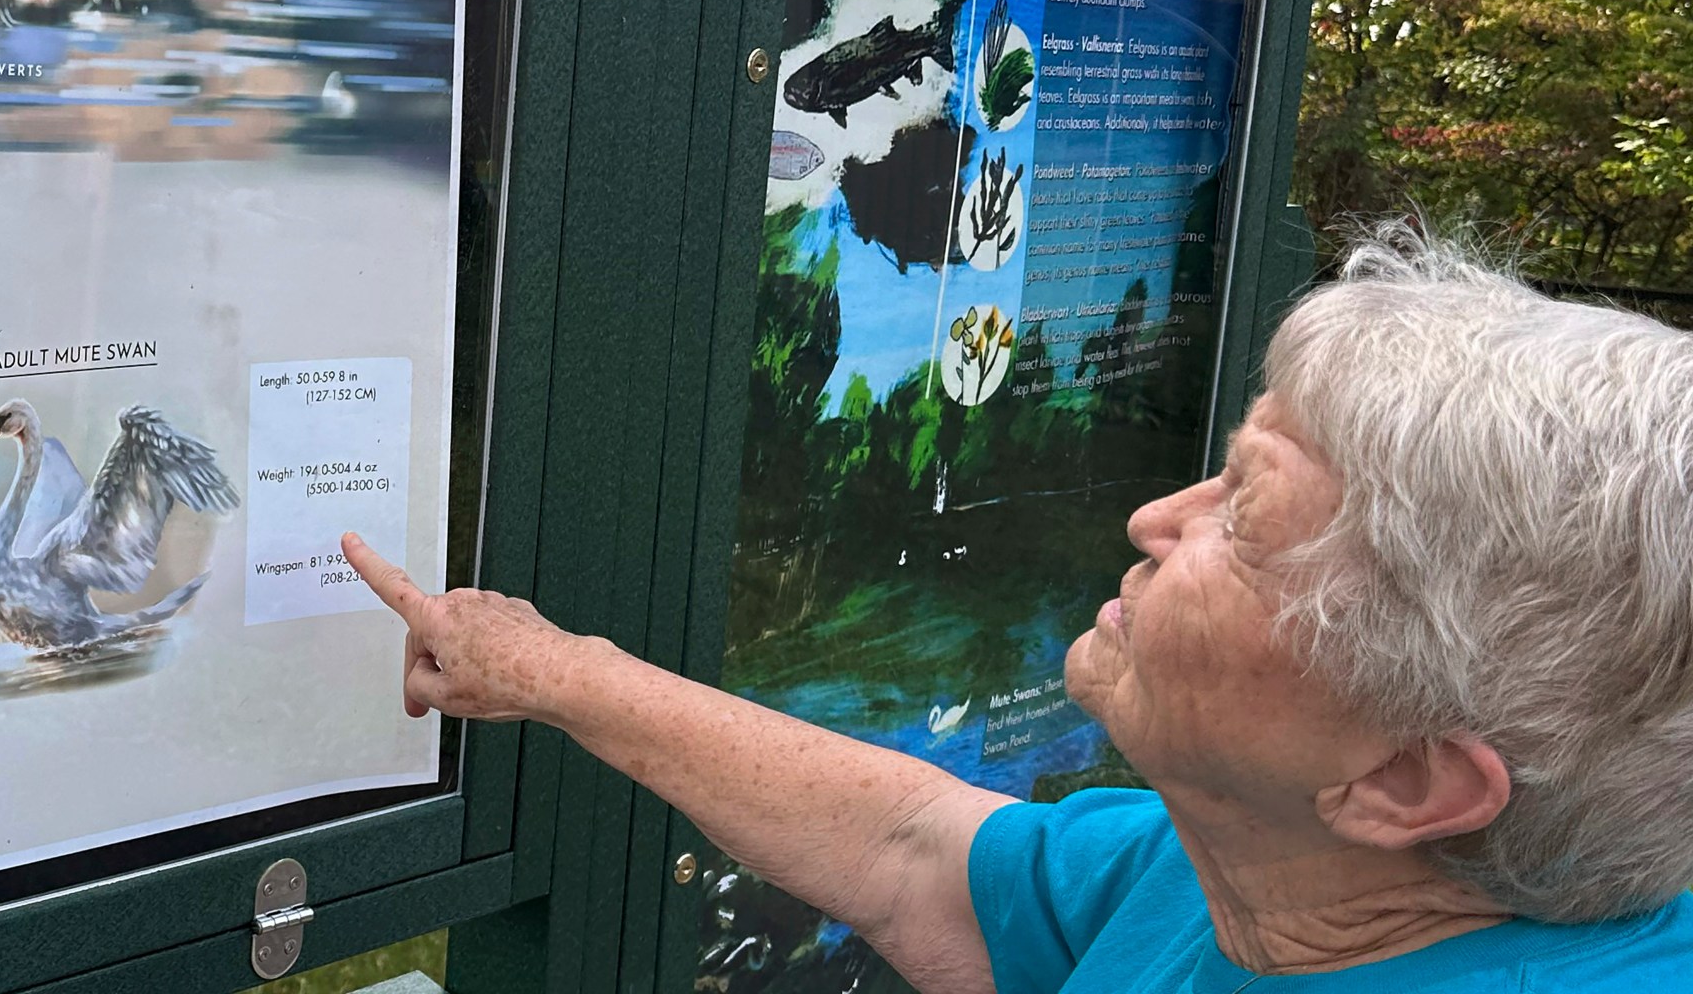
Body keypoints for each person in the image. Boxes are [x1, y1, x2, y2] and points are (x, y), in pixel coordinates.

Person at [344, 230, 1693, 991]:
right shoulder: (1271, 870)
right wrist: (547, 669)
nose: (1155, 522)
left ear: (1401, 777)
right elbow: (919, 851)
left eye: (1245, 516)